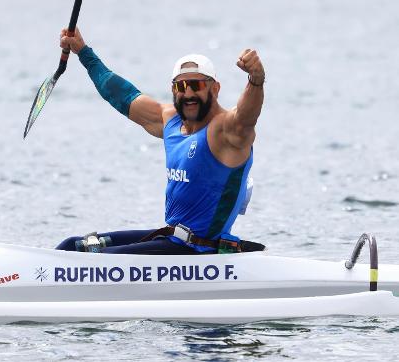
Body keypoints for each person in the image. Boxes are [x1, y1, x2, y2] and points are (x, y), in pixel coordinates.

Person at [56, 27, 265, 254]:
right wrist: (84, 53)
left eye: (196, 85)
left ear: (215, 89)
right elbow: (121, 94)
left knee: (95, 259)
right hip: (173, 239)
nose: (188, 94)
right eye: (180, 87)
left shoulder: (225, 131)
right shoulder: (171, 122)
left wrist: (255, 80)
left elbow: (246, 117)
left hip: (201, 252)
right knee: (72, 246)